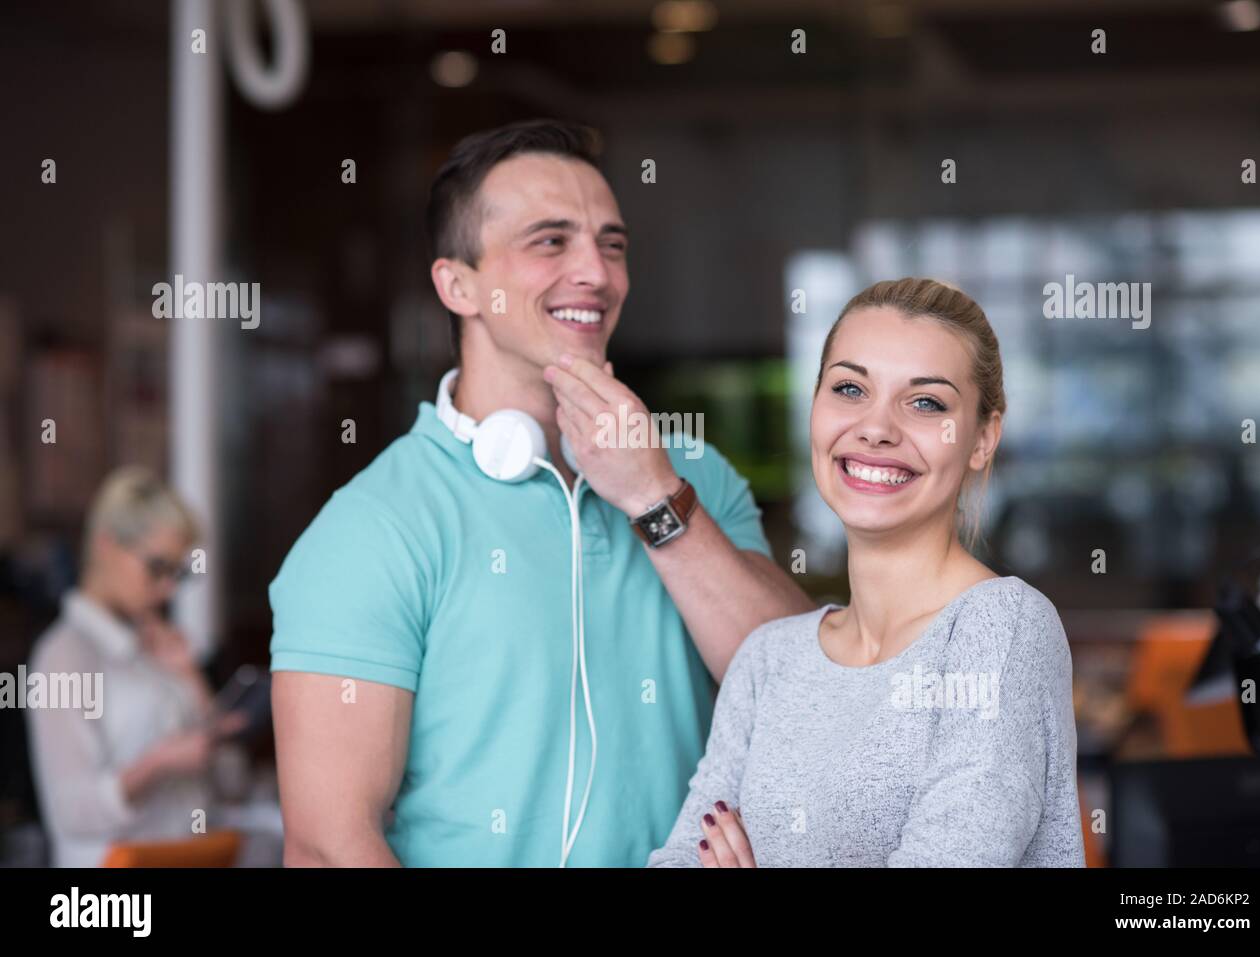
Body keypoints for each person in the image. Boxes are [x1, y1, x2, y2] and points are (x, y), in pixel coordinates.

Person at [269, 119, 814, 867]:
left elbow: (805, 698)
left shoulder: (697, 477)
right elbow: (330, 847)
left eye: (612, 243)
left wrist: (656, 495)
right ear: (458, 284)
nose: (596, 272)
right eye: (551, 241)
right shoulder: (373, 527)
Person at [648, 278, 1085, 867]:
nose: (876, 427)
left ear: (983, 438)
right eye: (850, 388)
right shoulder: (767, 661)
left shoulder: (1000, 629)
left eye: (926, 401)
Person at [26, 466, 244, 867]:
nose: (169, 589)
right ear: (107, 544)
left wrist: (192, 679)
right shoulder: (64, 654)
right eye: (158, 568)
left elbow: (231, 782)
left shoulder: (162, 648)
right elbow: (72, 811)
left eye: (178, 573)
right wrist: (159, 763)